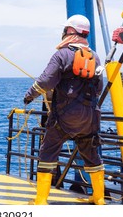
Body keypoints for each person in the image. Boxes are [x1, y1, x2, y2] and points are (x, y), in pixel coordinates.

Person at [23, 14, 105, 205]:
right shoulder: (95, 56)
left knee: (47, 153)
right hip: (90, 117)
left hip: (64, 117)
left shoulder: (62, 54)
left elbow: (45, 80)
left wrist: (29, 95)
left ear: (70, 31)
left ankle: (41, 200)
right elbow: (99, 88)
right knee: (91, 154)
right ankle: (99, 198)